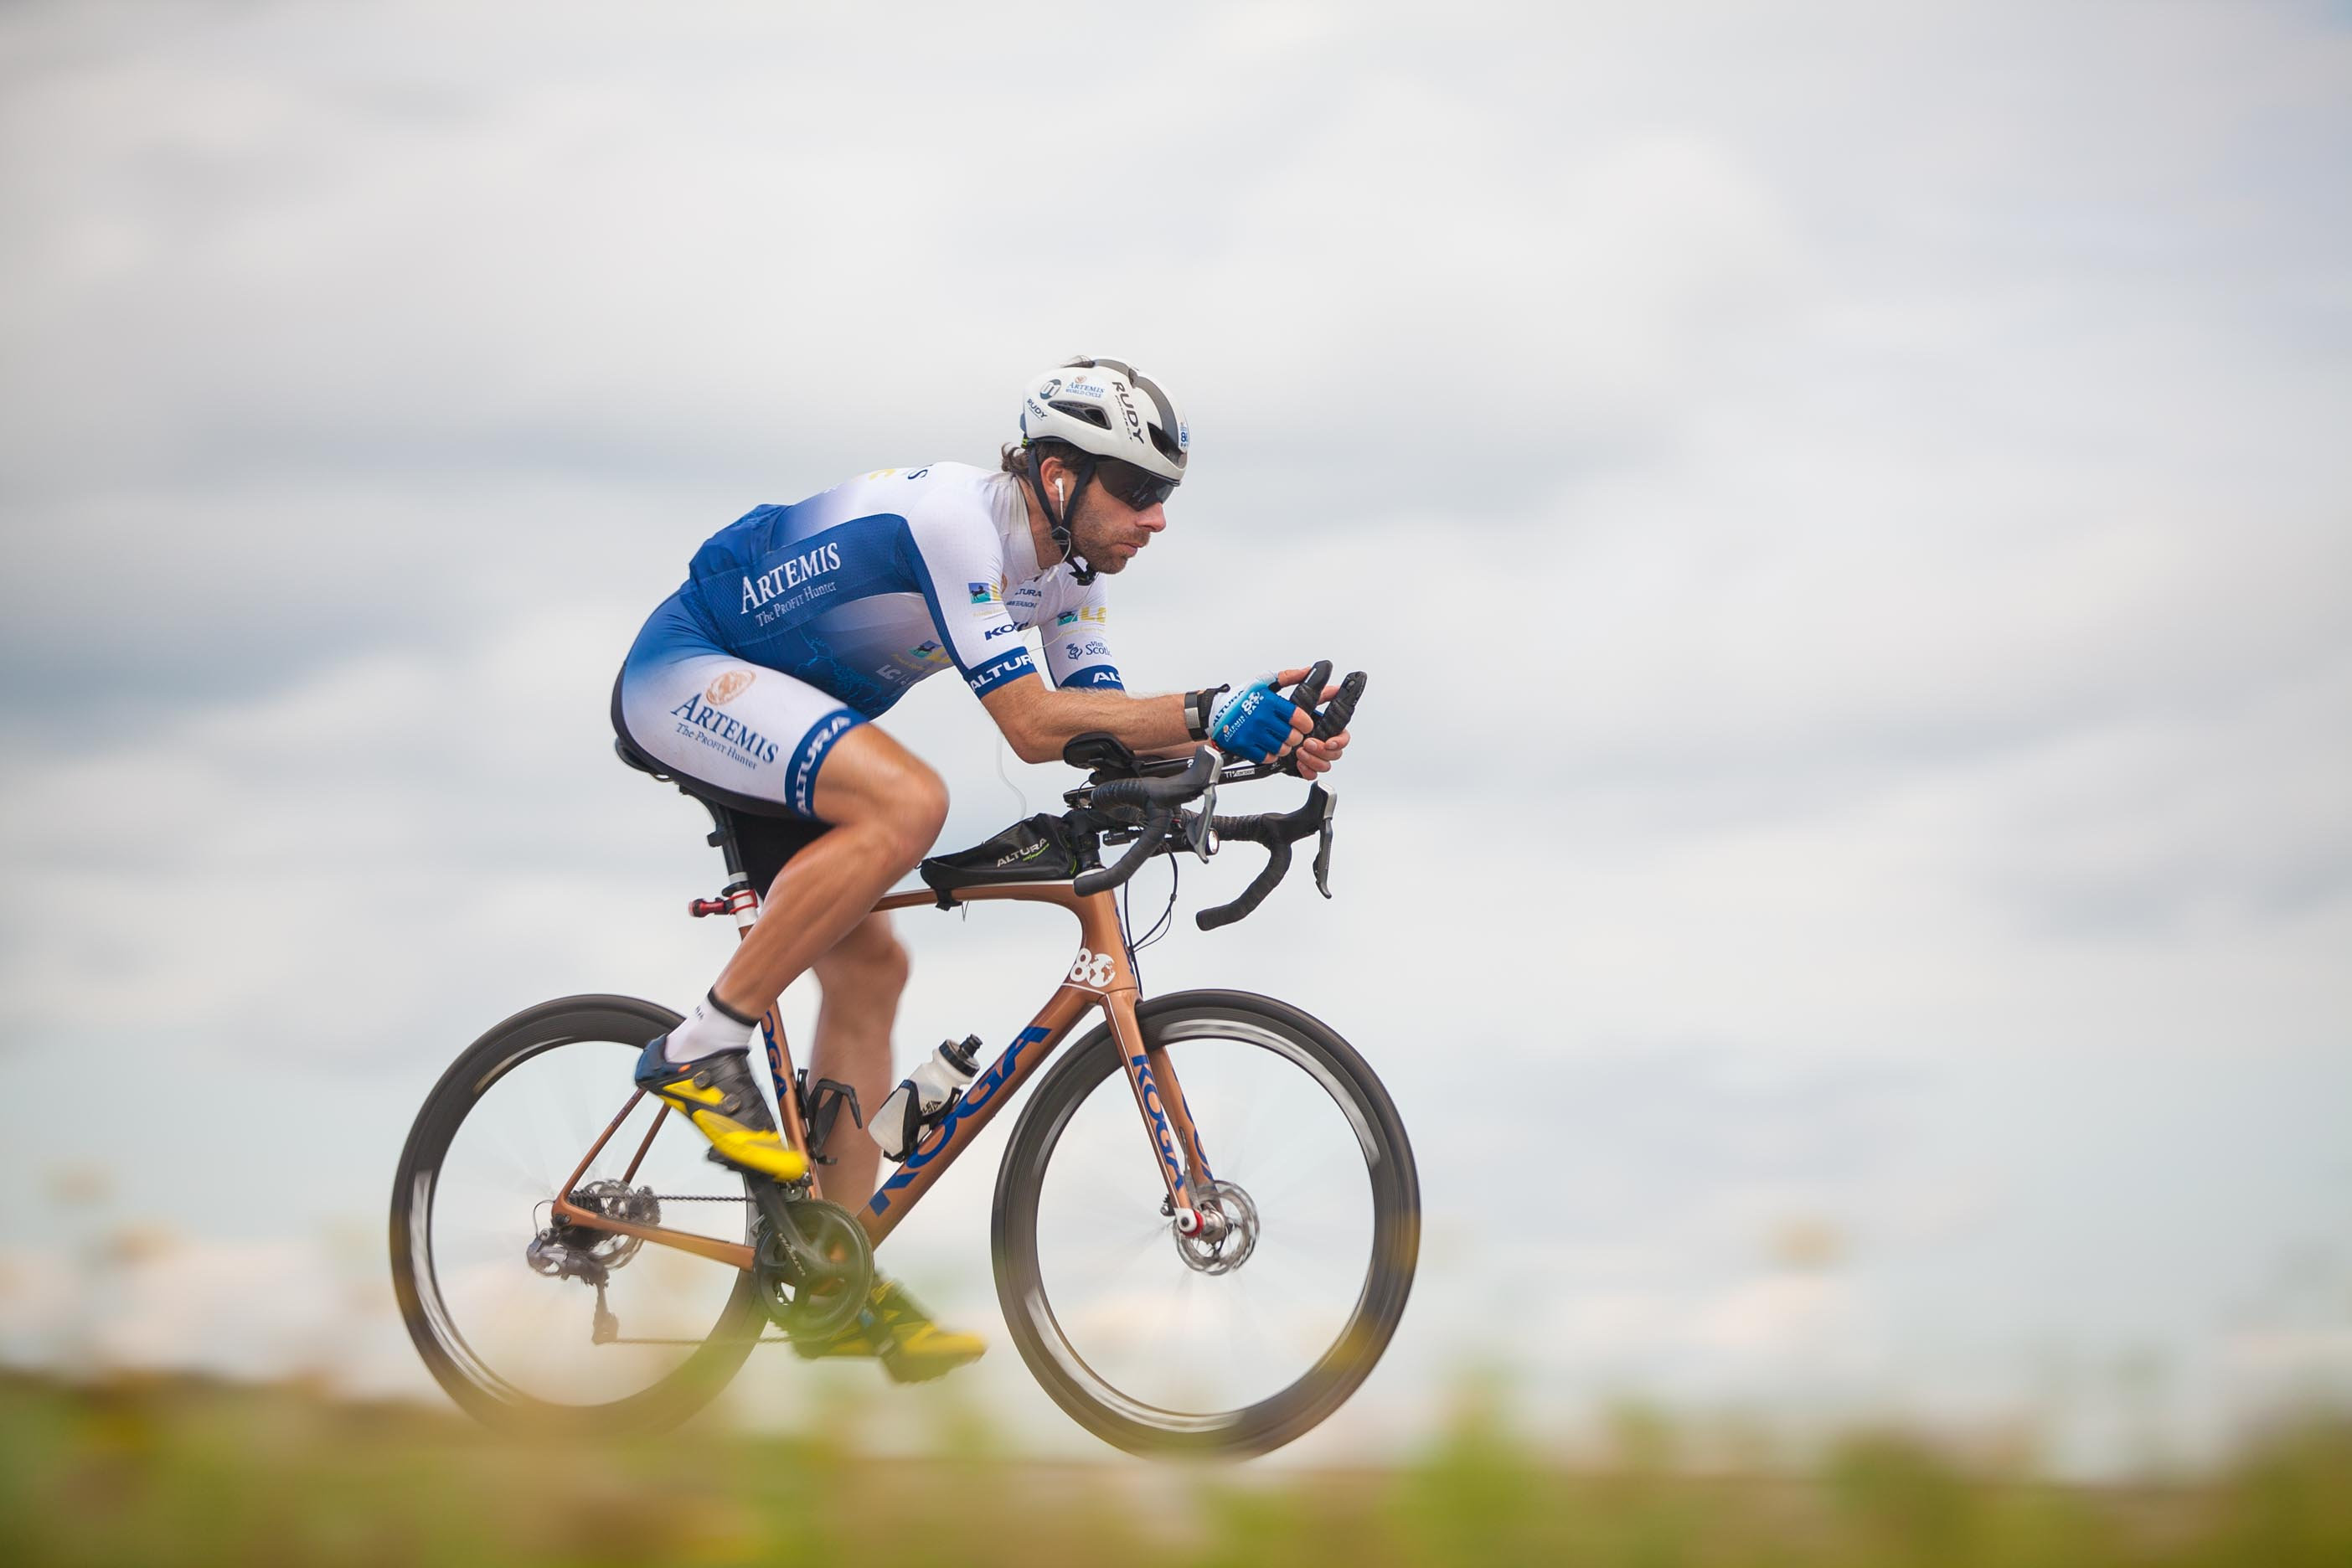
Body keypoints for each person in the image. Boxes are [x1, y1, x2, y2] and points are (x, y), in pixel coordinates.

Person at [610, 357, 1351, 1380]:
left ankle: (830, 1273)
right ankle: (705, 1042)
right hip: (689, 673)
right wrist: (1208, 707)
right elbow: (1033, 726)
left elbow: (1103, 726)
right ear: (1057, 476)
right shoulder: (958, 521)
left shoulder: (1067, 576)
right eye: (1136, 492)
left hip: (787, 719)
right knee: (911, 802)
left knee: (873, 970)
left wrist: (1258, 741)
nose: (1156, 519)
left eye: (1165, 496)